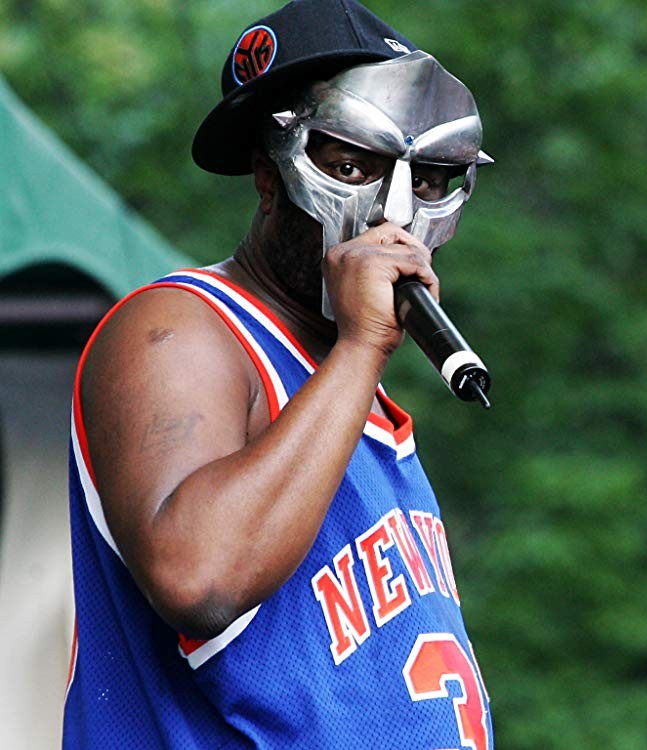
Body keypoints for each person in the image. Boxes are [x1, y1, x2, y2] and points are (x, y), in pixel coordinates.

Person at [62, 1, 494, 747]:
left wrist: (354, 358)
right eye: (349, 166)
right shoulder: (180, 328)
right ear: (268, 176)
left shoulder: (343, 390)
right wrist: (362, 347)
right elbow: (198, 576)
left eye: (428, 180)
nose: (392, 217)